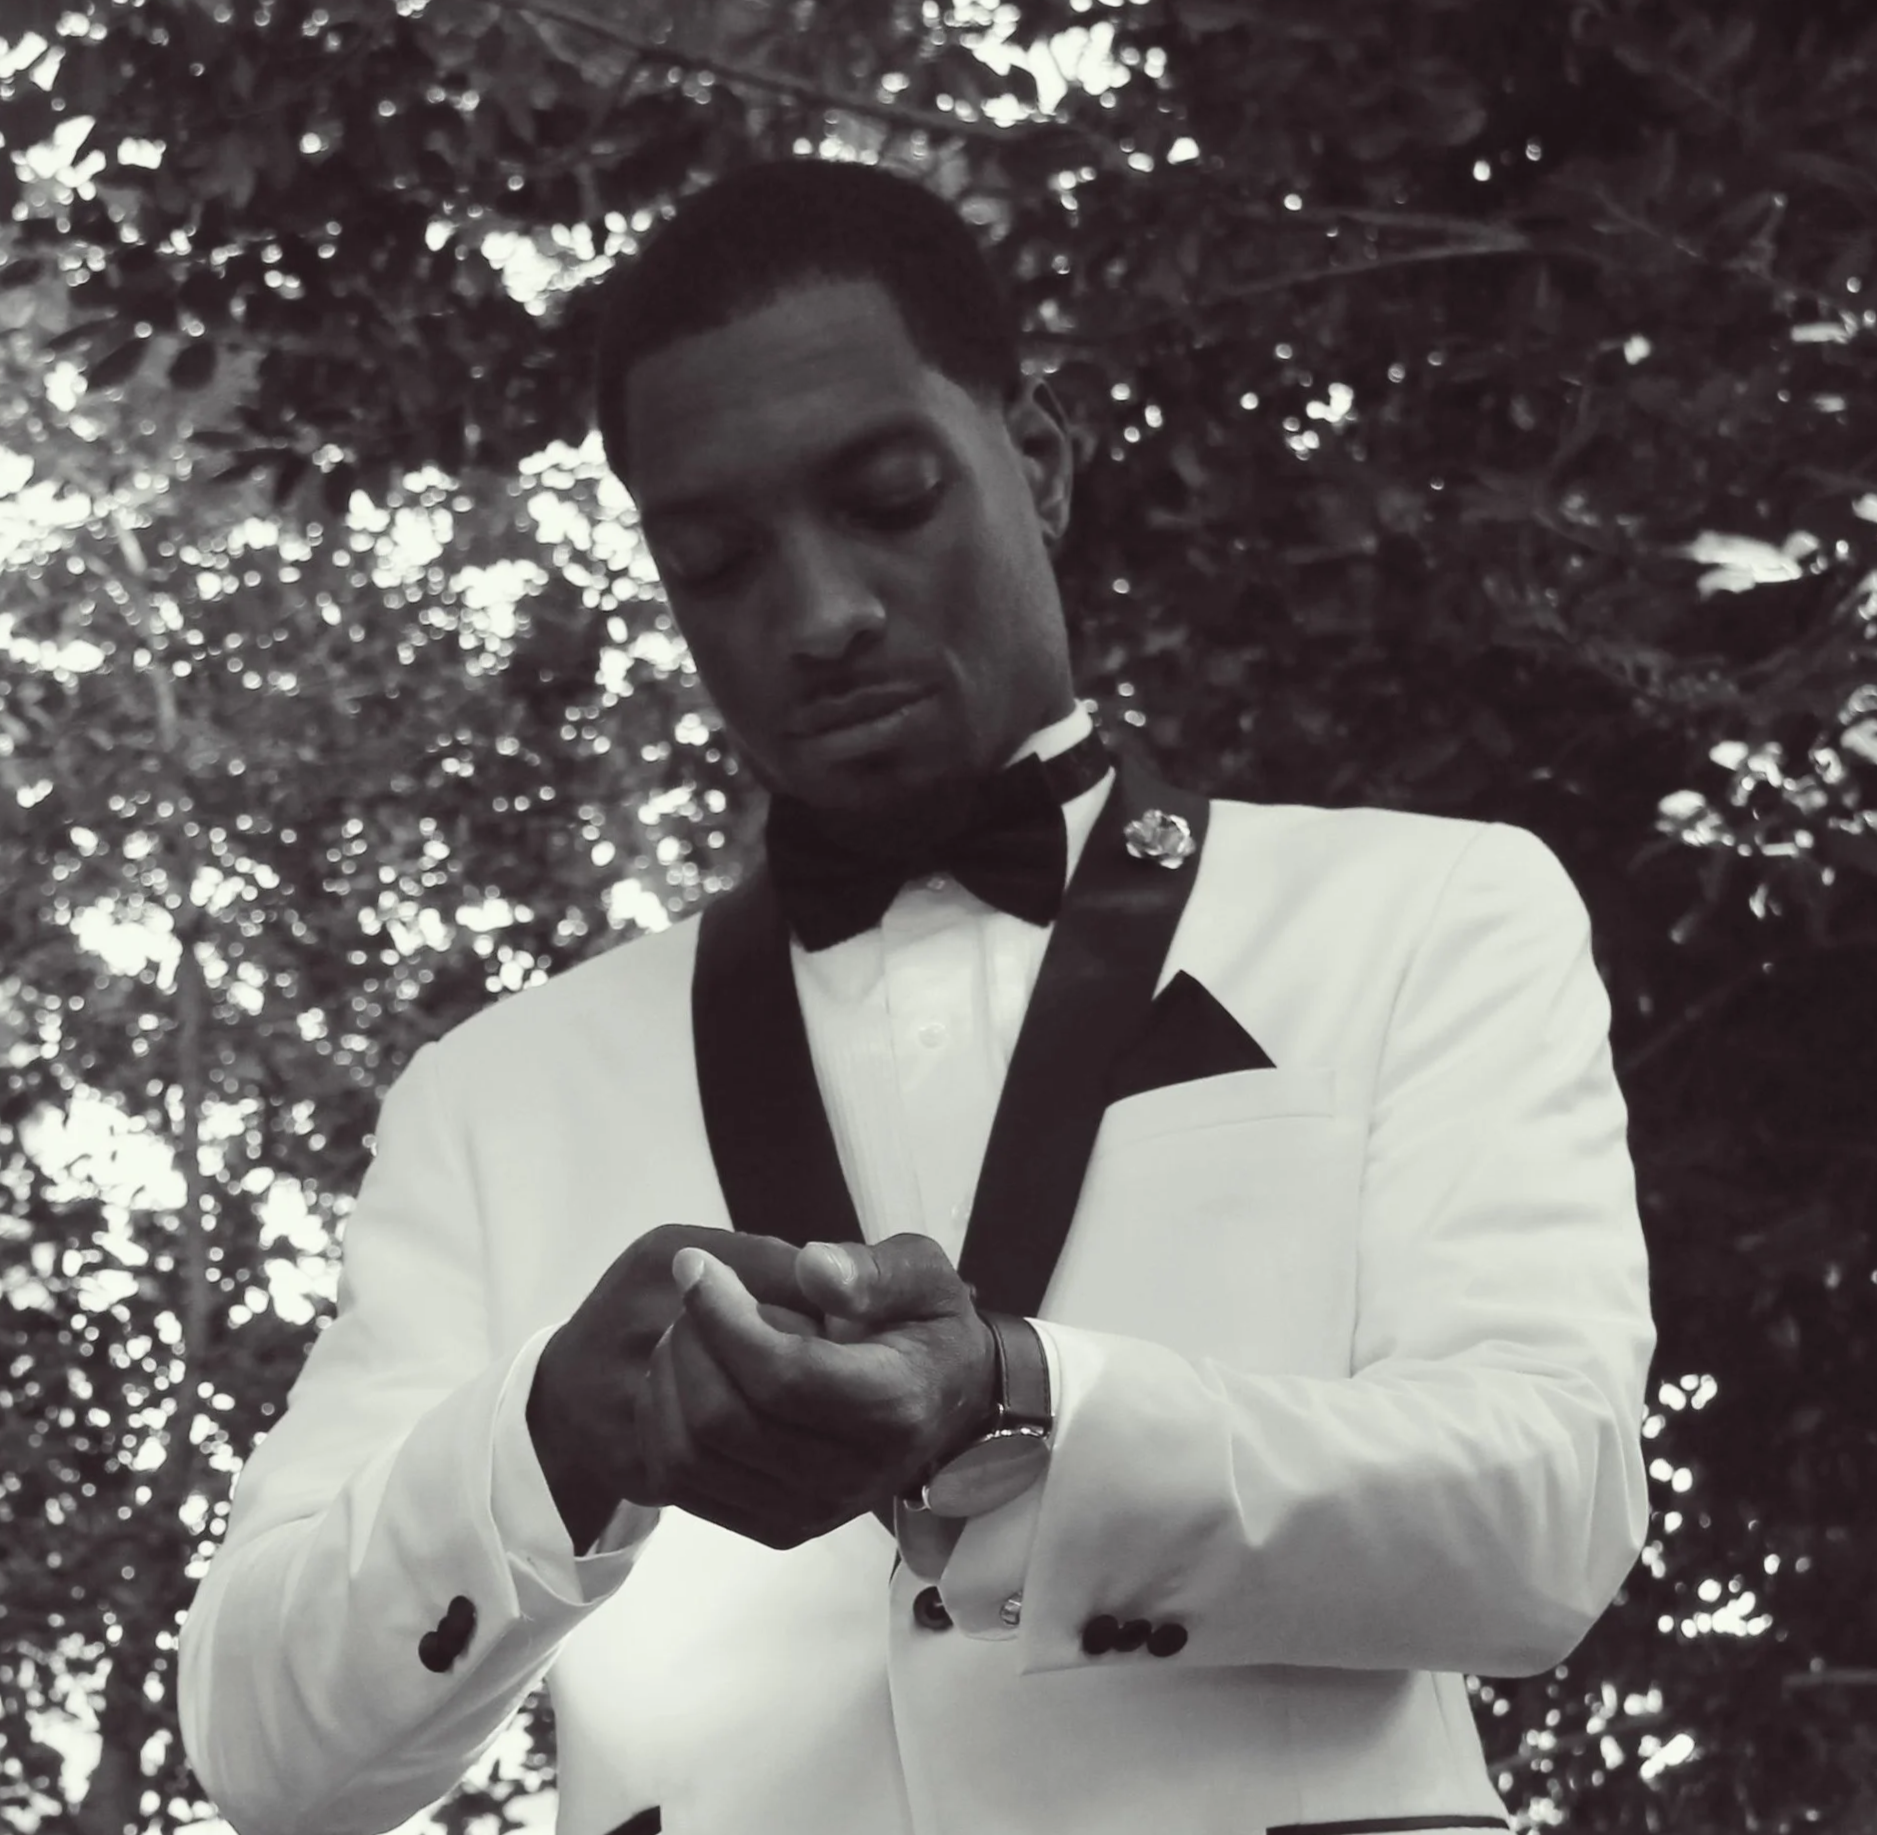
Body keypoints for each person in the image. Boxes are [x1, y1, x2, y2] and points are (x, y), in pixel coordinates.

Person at [177, 157, 1655, 1835]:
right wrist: (550, 1439)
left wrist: (1029, 1402)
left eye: (887, 499)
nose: (816, 615)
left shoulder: (1428, 911)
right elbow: (263, 1754)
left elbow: (1551, 1515)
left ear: (1036, 460)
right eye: (718, 562)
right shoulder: (492, 1095)